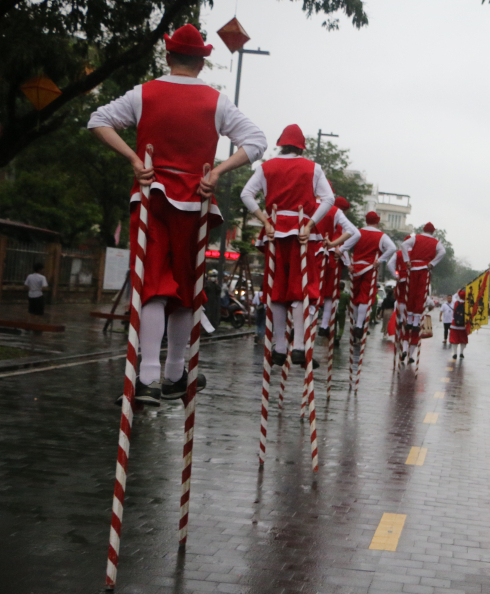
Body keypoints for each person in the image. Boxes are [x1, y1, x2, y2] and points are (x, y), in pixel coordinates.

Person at [90, 24, 267, 405]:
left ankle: (148, 375)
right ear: (202, 62)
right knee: (187, 289)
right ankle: (175, 374)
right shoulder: (216, 101)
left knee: (153, 282)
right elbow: (256, 141)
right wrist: (218, 172)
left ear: (168, 57)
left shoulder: (144, 93)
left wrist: (136, 160)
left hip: (151, 197)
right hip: (195, 203)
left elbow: (97, 120)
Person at [242, 124, 334, 369]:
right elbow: (329, 199)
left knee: (278, 289)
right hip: (302, 231)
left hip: (274, 231)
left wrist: (264, 220)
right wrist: (311, 223)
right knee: (302, 289)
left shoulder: (266, 167)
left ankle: (279, 347)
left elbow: (246, 194)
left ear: (281, 144)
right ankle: (300, 347)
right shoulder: (312, 168)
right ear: (301, 146)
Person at [316, 196, 361, 337]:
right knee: (330, 294)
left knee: (313, 289)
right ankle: (324, 325)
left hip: (314, 253)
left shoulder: (316, 209)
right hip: (331, 256)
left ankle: (304, 325)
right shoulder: (339, 219)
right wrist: (344, 256)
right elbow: (353, 236)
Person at [349, 212, 396, 343]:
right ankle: (359, 325)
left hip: (355, 267)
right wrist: (380, 260)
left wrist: (348, 263)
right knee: (365, 297)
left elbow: (345, 246)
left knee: (355, 296)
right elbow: (392, 248)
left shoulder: (357, 232)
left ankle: (355, 323)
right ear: (377, 221)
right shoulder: (381, 235)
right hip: (370, 268)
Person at [401, 222, 446, 360]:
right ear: (433, 231)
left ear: (423, 229)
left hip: (413, 268)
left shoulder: (416, 238)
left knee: (411, 295)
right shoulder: (436, 242)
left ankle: (409, 321)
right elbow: (443, 252)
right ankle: (415, 322)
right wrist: (432, 263)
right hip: (425, 269)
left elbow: (403, 246)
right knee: (420, 295)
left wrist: (407, 260)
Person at [449, 290, 468, 358]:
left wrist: (457, 292)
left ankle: (454, 353)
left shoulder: (455, 302)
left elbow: (454, 296)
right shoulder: (468, 304)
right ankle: (461, 353)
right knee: (463, 340)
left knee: (454, 339)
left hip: (454, 325)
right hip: (463, 325)